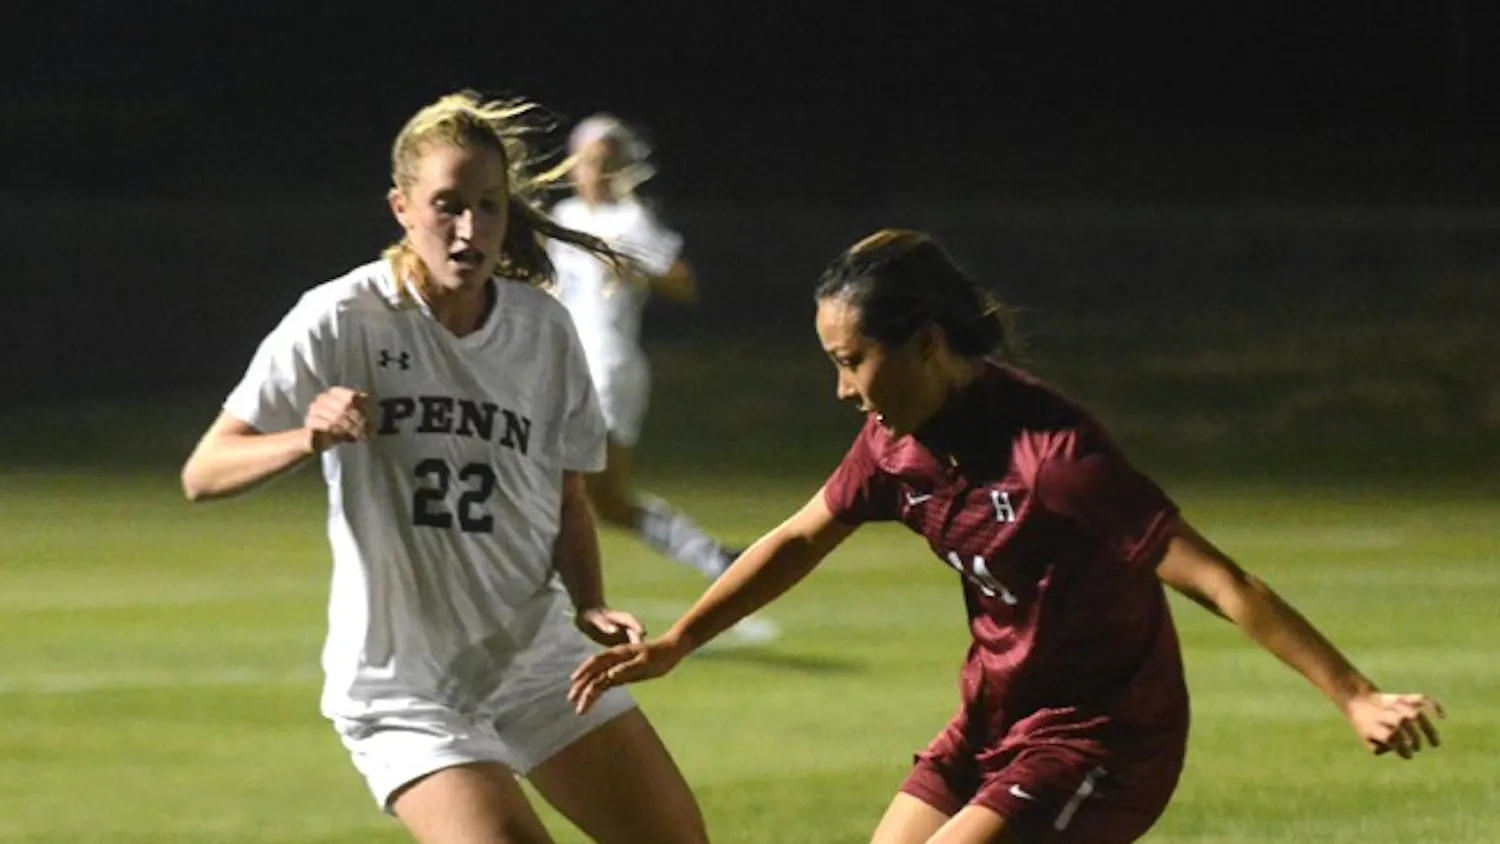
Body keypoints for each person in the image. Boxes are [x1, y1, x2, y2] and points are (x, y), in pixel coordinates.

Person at [569, 229, 1445, 844]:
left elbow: (1223, 582)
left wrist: (1356, 695)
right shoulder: (896, 442)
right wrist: (682, 639)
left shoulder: (1053, 458)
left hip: (1102, 738)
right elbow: (799, 539)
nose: (842, 389)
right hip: (993, 720)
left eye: (851, 360)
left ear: (925, 345)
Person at [181, 90, 709, 844]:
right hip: (407, 692)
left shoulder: (543, 329)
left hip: (539, 665)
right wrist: (308, 436)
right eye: (446, 206)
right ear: (401, 207)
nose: (470, 230)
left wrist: (590, 601)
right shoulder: (341, 317)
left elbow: (566, 495)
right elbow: (204, 470)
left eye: (488, 206)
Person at [547, 113, 777, 644]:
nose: (593, 172)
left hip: (607, 368)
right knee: (609, 503)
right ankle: (716, 558)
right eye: (584, 161)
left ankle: (548, 613)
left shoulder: (630, 222)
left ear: (622, 167)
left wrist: (635, 266)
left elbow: (683, 281)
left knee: (561, 487)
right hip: (565, 368)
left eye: (604, 162)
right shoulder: (563, 215)